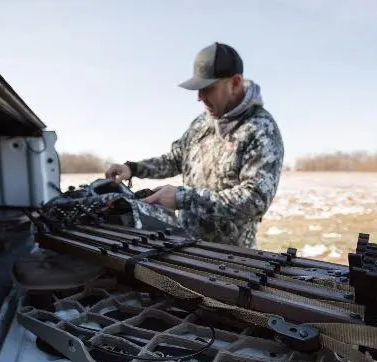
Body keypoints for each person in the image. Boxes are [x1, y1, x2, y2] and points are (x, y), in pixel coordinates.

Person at [105, 42, 284, 248]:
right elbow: (176, 159)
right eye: (198, 89)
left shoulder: (260, 129)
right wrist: (133, 168)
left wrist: (183, 198)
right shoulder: (202, 123)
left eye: (207, 89)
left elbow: (254, 200)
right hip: (187, 247)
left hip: (231, 258)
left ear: (235, 83)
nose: (199, 97)